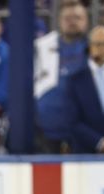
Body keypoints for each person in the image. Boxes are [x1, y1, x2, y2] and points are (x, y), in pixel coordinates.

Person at [34, 1, 89, 153]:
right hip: (46, 131)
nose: (72, 21)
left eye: (77, 17)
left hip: (82, 133)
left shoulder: (93, 48)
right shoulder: (41, 46)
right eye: (68, 18)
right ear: (59, 21)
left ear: (86, 21)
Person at [65, 25, 104, 153]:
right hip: (86, 153)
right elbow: (72, 120)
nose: (102, 48)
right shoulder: (75, 79)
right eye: (97, 44)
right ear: (89, 46)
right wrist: (100, 143)